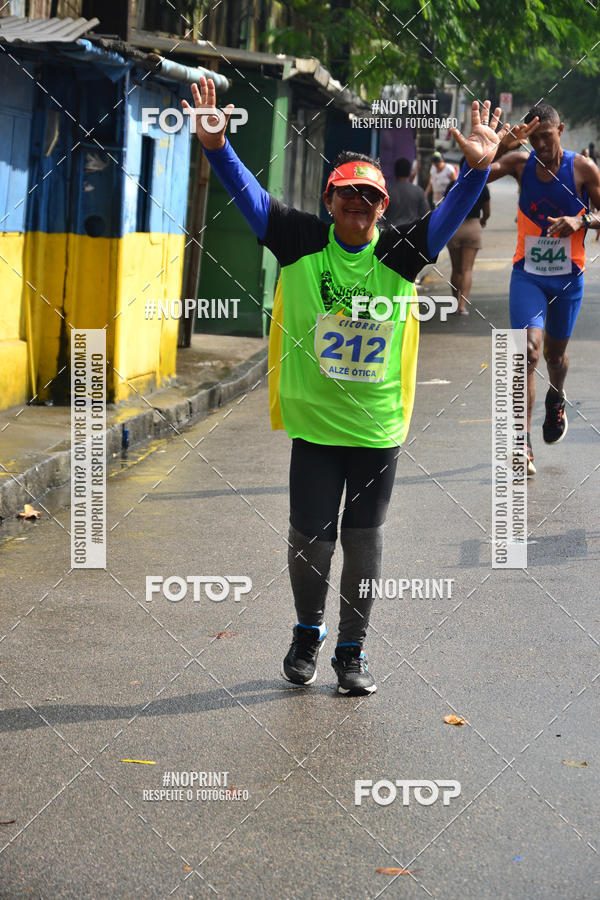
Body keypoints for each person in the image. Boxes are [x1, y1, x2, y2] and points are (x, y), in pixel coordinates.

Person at [184, 79, 509, 694]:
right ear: (329, 201)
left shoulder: (403, 250)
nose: (358, 207)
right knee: (310, 536)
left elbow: (450, 212)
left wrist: (477, 172)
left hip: (376, 426)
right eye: (347, 198)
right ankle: (309, 632)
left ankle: (352, 652)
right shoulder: (299, 239)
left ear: (384, 207)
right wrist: (216, 147)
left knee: (363, 541)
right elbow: (248, 195)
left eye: (370, 199)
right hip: (315, 424)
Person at [488, 104, 600, 475]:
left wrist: (580, 219)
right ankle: (521, 443)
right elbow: (475, 175)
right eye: (533, 138)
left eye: (546, 136)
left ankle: (557, 396)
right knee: (527, 354)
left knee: (554, 357)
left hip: (569, 277)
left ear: (560, 130)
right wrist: (503, 145)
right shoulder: (521, 164)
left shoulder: (582, 168)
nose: (540, 144)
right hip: (528, 275)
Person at [445, 165, 490, 315]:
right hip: (473, 227)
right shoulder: (482, 186)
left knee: (456, 269)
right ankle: (462, 306)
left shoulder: (453, 184)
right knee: (467, 269)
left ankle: (454, 301)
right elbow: (487, 212)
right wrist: (482, 220)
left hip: (454, 226)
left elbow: (445, 207)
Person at [384, 157, 429, 228]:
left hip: (391, 234)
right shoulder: (419, 191)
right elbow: (426, 215)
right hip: (412, 233)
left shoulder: (387, 192)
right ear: (409, 172)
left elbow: (381, 216)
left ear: (395, 172)